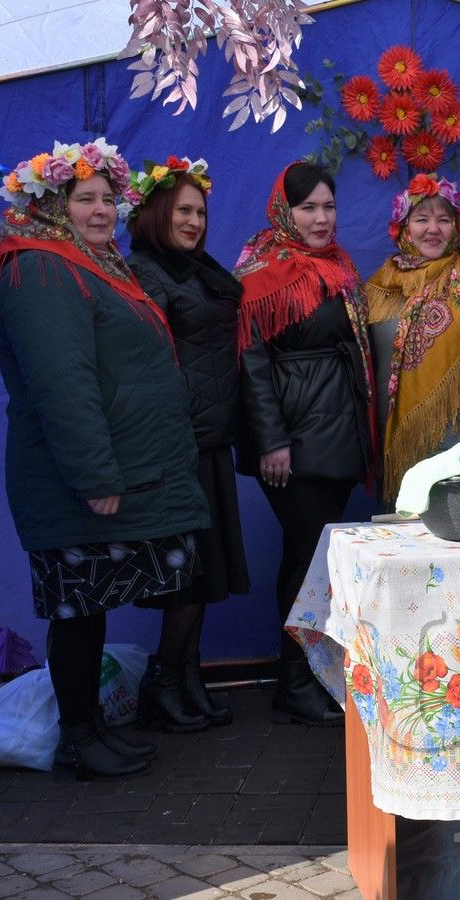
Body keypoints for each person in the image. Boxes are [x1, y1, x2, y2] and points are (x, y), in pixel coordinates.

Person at [0, 138, 209, 780]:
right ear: (52, 203)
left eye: (108, 200)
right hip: (74, 481)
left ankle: (90, 729)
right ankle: (78, 737)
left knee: (87, 609)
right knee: (76, 611)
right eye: (84, 199)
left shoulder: (81, 263)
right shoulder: (39, 269)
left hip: (107, 472)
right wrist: (96, 476)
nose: (102, 211)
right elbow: (61, 383)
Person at [236, 162, 374, 725]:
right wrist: (272, 442)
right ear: (283, 211)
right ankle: (294, 681)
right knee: (305, 560)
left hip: (338, 436)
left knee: (315, 557)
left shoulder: (336, 265)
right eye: (308, 208)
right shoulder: (261, 271)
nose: (321, 218)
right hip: (295, 440)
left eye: (328, 207)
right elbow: (251, 362)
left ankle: (309, 675)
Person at [126, 155, 250, 731]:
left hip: (209, 439)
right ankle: (165, 679)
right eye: (183, 210)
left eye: (201, 211)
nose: (195, 221)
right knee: (187, 575)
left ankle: (188, 675)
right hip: (179, 443)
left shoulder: (195, 269)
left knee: (203, 572)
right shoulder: (148, 272)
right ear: (156, 211)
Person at [364, 172, 460, 503]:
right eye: (421, 219)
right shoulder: (378, 288)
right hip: (397, 448)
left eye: (443, 219)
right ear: (404, 227)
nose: (433, 229)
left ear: (457, 226)